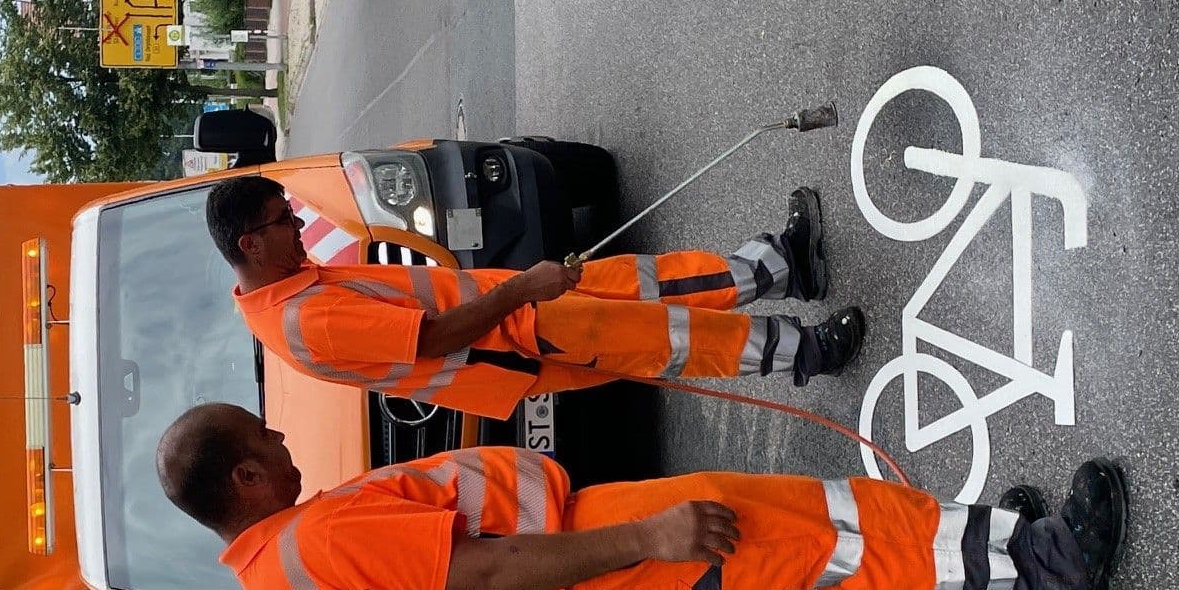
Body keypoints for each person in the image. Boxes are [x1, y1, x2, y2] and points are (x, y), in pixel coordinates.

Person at [158, 404, 1128, 590]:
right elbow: (486, 571)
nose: (284, 442)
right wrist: (648, 535)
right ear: (244, 480)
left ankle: (1008, 580)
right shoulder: (315, 542)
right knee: (826, 538)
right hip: (608, 567)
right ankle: (1048, 565)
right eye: (265, 441)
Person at [205, 174, 866, 423]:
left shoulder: (294, 288)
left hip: (517, 313)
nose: (297, 226)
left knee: (650, 283)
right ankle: (808, 352)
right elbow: (431, 339)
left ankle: (780, 266)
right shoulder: (304, 321)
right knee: (668, 335)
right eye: (281, 221)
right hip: (518, 335)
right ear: (250, 244)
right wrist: (523, 288)